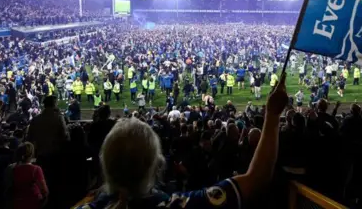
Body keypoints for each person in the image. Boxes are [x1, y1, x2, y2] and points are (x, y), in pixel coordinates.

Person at [79, 78, 288, 209]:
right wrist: (272, 115)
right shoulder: (180, 204)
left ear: (104, 165)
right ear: (157, 164)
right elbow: (257, 179)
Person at [5, 142, 49, 209]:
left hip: (17, 203)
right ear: (31, 154)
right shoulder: (36, 169)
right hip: (34, 203)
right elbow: (44, 191)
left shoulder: (11, 168)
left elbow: (7, 188)